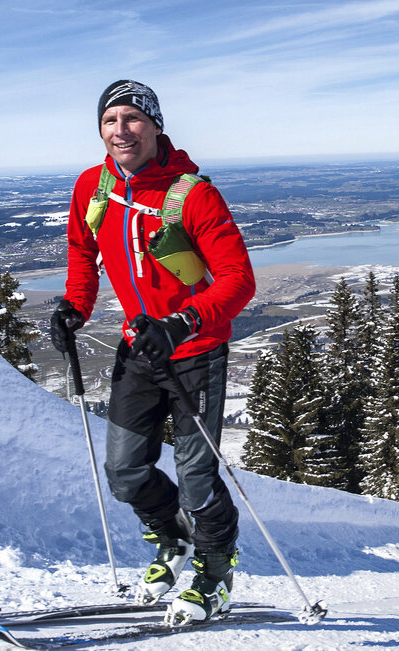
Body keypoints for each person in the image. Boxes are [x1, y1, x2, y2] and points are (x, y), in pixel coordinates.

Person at [50, 80, 255, 626]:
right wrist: (76, 305)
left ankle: (215, 572)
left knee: (196, 477)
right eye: (111, 120)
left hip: (195, 352)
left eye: (134, 119)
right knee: (123, 473)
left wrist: (183, 321)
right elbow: (81, 248)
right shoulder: (92, 187)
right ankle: (174, 539)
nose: (122, 130)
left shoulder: (192, 194)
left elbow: (238, 281)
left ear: (157, 126)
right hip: (139, 351)